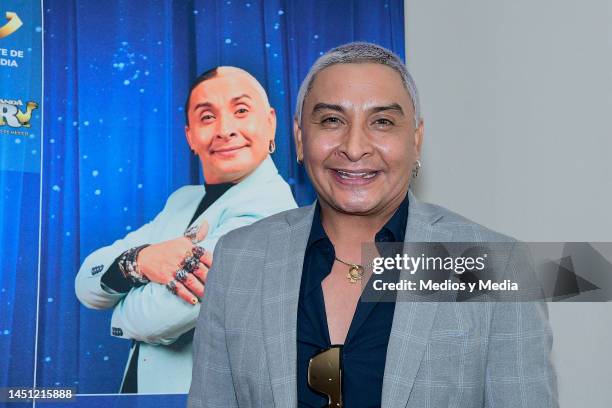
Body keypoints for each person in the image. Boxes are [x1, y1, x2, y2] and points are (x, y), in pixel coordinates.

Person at [188, 43, 558, 407]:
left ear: (416, 141)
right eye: (332, 120)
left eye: (382, 122)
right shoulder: (240, 259)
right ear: (300, 139)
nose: (354, 146)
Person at [75, 66, 297, 394]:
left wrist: (124, 291)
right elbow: (86, 282)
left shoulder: (272, 213)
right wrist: (142, 260)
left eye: (241, 111)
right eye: (207, 117)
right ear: (190, 136)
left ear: (270, 122)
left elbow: (154, 319)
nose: (225, 130)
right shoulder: (182, 201)